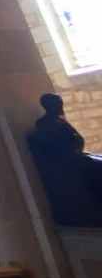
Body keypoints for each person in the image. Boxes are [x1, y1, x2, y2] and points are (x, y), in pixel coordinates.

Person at [28, 93, 102, 227]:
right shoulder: (47, 124)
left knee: (96, 160)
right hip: (67, 162)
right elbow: (64, 143)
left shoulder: (58, 121)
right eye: (57, 103)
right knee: (95, 167)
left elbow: (76, 139)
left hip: (75, 156)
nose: (60, 106)